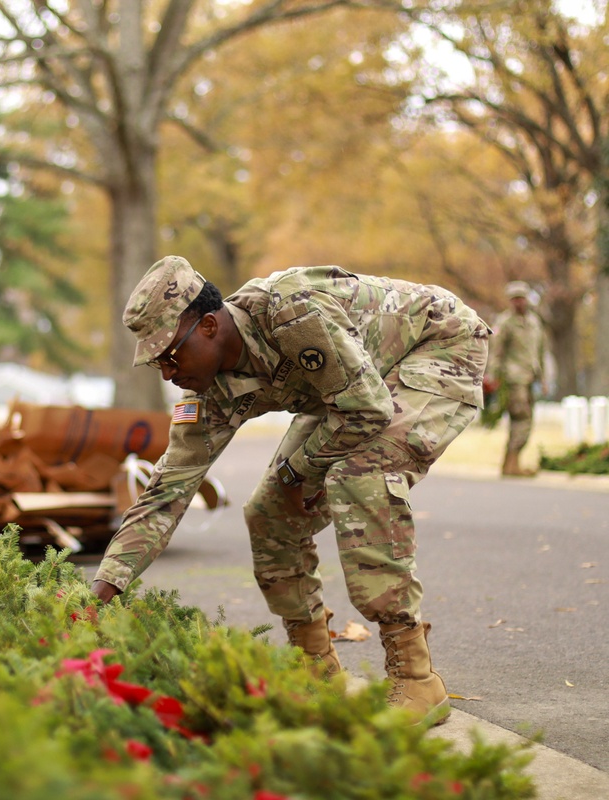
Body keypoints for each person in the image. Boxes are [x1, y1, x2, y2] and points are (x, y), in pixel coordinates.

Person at [91, 256, 490, 726]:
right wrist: (103, 590)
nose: (165, 372)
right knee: (268, 510)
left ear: (210, 326)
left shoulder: (292, 314)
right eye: (156, 362)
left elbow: (367, 412)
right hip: (352, 387)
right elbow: (166, 491)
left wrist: (298, 470)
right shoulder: (207, 393)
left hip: (437, 347)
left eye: (170, 355)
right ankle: (314, 670)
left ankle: (417, 677)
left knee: (358, 475)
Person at [486, 281, 547, 477]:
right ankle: (512, 464)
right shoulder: (505, 322)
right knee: (521, 418)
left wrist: (543, 379)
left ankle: (511, 465)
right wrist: (492, 376)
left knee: (524, 420)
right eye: (514, 299)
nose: (518, 302)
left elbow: (540, 351)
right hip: (514, 378)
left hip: (531, 377)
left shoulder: (534, 322)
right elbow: (496, 352)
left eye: (521, 298)